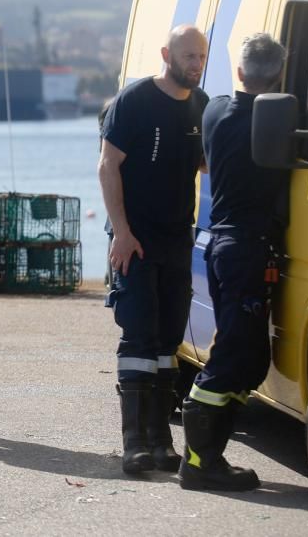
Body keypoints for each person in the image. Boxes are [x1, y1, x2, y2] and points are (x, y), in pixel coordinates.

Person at [180, 33, 289, 491]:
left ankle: (210, 457)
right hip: (244, 250)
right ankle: (200, 464)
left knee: (251, 359)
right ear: (279, 77)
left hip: (227, 247)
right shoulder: (273, 125)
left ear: (240, 72)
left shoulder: (215, 110)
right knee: (231, 359)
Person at [98, 24, 209, 474]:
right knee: (139, 338)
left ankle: (162, 440)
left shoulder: (200, 107)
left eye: (201, 57)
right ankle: (133, 443)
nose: (196, 65)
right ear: (167, 53)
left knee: (168, 343)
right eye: (188, 56)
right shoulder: (135, 101)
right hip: (136, 239)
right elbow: (108, 167)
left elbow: (202, 161)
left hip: (176, 239)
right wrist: (122, 232)